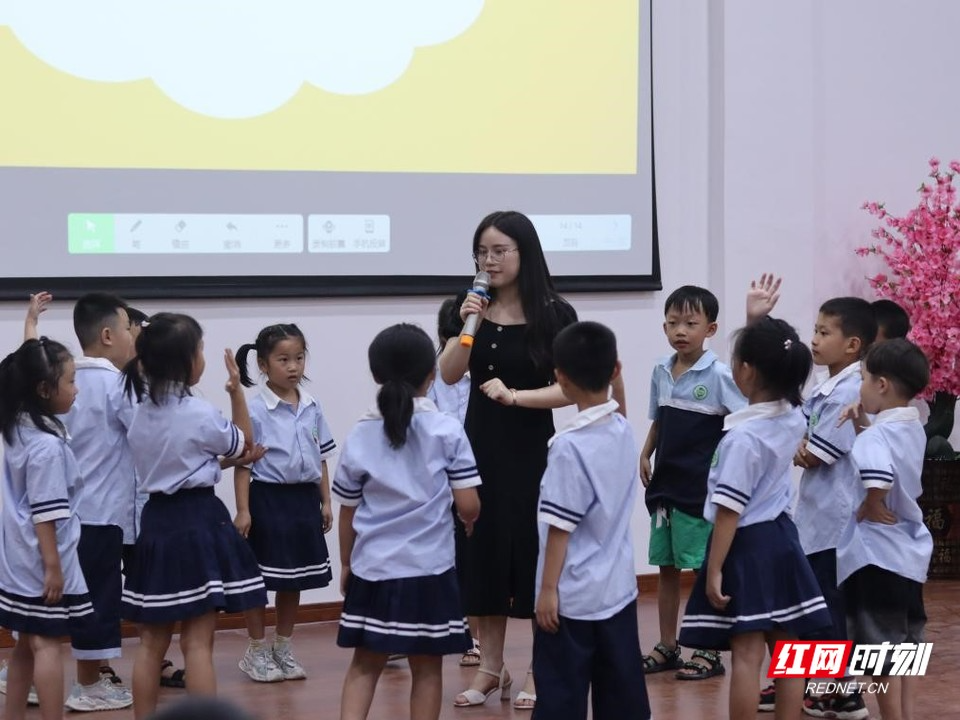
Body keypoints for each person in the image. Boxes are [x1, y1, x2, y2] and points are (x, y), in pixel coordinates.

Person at [439, 211, 605, 709]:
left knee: (533, 555)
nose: (488, 261)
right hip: (479, 447)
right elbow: (448, 375)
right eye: (482, 252)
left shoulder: (555, 316)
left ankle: (539, 667)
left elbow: (574, 389)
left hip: (532, 449)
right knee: (483, 550)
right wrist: (468, 323)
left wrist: (517, 396)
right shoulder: (465, 308)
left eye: (499, 251)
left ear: (523, 254)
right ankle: (491, 668)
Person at [678, 317, 832, 720]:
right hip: (783, 538)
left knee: (746, 655)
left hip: (746, 545)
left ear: (747, 370)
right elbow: (772, 386)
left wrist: (713, 569)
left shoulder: (742, 439)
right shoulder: (791, 417)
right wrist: (756, 321)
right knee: (788, 646)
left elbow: (729, 511)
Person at [120, 313, 267, 720]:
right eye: (200, 349)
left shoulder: (136, 410)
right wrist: (237, 392)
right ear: (186, 362)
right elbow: (243, 444)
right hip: (197, 519)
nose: (203, 356)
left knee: (150, 645)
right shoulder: (199, 414)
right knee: (197, 644)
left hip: (156, 523)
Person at [333, 323, 481, 720]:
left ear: (376, 375)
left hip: (373, 567)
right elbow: (468, 503)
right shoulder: (446, 429)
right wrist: (468, 520)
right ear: (431, 375)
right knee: (427, 668)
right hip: (429, 569)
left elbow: (347, 510)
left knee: (365, 665)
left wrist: (347, 563)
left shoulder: (361, 434)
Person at [532, 321, 651, 720]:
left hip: (573, 594)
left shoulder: (568, 447)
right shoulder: (621, 429)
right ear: (616, 369)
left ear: (559, 378)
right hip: (617, 589)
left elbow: (560, 528)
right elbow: (618, 403)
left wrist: (548, 590)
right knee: (621, 690)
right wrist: (617, 383)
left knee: (561, 692)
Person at [639, 285, 745, 681]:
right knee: (666, 566)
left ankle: (708, 649)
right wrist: (644, 452)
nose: (680, 331)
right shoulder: (660, 369)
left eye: (690, 323)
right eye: (672, 323)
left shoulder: (719, 375)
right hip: (664, 487)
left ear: (711, 328)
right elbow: (659, 419)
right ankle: (668, 644)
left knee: (703, 568)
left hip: (700, 491)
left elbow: (742, 422)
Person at [233, 323, 336, 683]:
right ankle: (257, 649)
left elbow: (320, 456)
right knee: (259, 580)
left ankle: (283, 645)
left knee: (294, 580)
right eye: (283, 360)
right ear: (263, 364)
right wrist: (243, 509)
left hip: (303, 500)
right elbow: (244, 465)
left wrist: (325, 501)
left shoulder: (312, 404)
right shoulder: (256, 409)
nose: (293, 367)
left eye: (299, 358)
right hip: (267, 501)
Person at [836, 339, 932, 720]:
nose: (859, 387)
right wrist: (863, 423)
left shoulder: (877, 436)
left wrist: (870, 504)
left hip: (877, 556)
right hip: (909, 554)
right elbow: (882, 455)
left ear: (881, 385)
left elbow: (877, 473)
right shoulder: (913, 427)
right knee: (907, 645)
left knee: (880, 654)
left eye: (862, 378)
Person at [0, 338, 94, 720]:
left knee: (25, 645)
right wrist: (53, 566)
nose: (76, 390)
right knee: (48, 645)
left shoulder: (14, 430)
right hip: (40, 561)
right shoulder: (45, 447)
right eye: (71, 381)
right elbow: (45, 511)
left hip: (17, 559)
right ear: (44, 389)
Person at [791, 297, 876, 720]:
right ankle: (826, 687)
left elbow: (814, 454)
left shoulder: (849, 391)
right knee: (821, 602)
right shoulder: (828, 385)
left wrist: (798, 447)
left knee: (828, 604)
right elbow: (801, 436)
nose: (814, 339)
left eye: (825, 332)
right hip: (817, 517)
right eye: (816, 330)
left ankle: (839, 691)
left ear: (853, 344)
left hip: (833, 521)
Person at [426, 296, 478, 666]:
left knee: (473, 558)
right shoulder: (433, 374)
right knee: (440, 555)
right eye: (450, 338)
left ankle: (471, 635)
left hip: (479, 475)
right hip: (438, 479)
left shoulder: (492, 371)